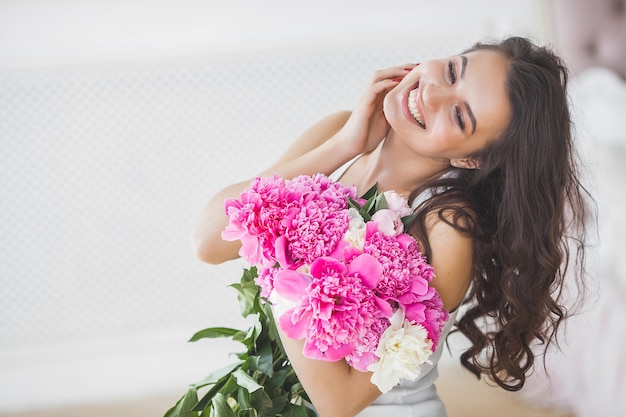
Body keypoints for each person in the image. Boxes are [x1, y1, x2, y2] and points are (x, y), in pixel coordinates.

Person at [191, 36, 590, 417]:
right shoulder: (339, 132)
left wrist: (290, 241)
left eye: (458, 115)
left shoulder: (446, 228)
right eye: (452, 71)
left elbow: (341, 402)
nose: (431, 95)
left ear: (472, 160)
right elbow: (210, 242)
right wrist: (343, 147)